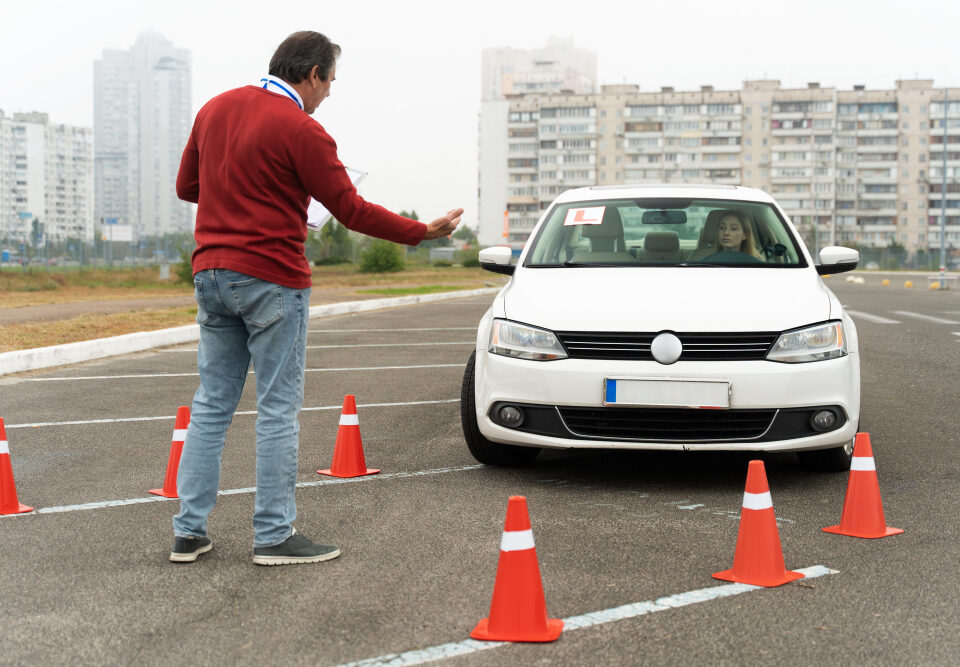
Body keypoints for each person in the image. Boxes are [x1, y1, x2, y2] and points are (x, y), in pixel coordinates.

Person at [170, 31, 462, 566]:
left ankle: (188, 532)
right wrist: (422, 231)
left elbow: (188, 187)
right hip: (271, 278)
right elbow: (350, 209)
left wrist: (244, 191)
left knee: (212, 406)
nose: (329, 94)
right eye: (329, 82)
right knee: (278, 409)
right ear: (311, 74)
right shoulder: (303, 129)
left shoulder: (214, 109)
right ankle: (274, 535)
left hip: (211, 274)